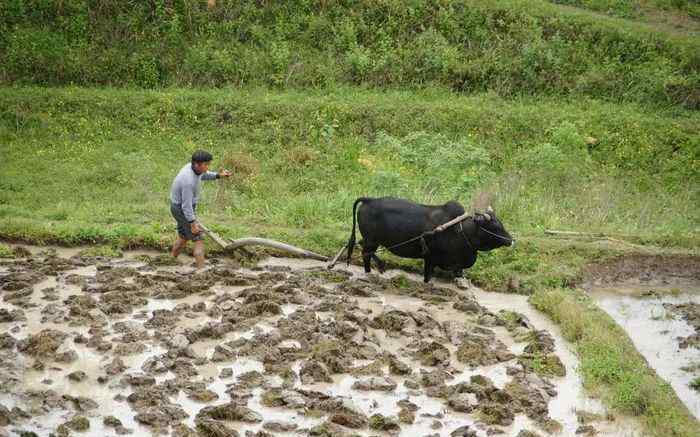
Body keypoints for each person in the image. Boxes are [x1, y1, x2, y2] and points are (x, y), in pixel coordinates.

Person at [169, 150, 231, 268]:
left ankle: (170, 260)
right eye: (206, 165)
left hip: (180, 207)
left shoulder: (193, 167)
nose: (207, 167)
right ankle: (201, 272)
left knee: (183, 237)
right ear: (197, 164)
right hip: (182, 209)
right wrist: (193, 223)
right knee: (198, 238)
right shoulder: (187, 181)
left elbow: (204, 174)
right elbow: (186, 206)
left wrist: (218, 175)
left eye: (208, 164)